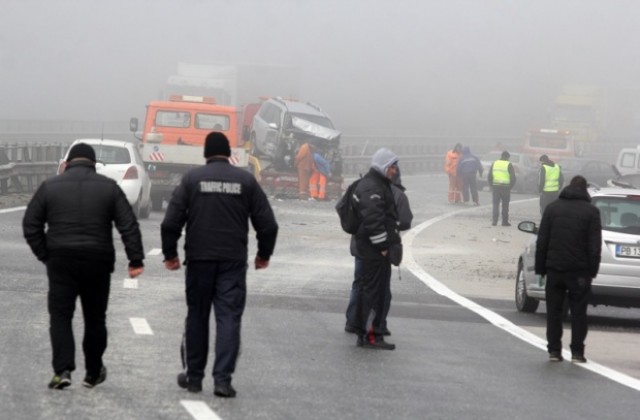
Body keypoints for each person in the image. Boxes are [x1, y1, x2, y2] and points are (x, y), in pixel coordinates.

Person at [161, 132, 278, 398]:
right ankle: (222, 381)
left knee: (197, 317)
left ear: (206, 153)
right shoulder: (246, 181)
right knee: (228, 318)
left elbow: (170, 222)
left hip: (199, 261)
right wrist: (263, 255)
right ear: (229, 154)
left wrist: (170, 254)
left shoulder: (192, 180)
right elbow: (268, 224)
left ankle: (193, 377)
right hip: (232, 263)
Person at [22, 142, 145, 390]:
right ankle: (93, 372)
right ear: (94, 164)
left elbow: (30, 225)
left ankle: (63, 369)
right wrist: (135, 260)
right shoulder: (109, 188)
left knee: (60, 315)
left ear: (66, 163)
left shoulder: (49, 187)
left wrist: (46, 254)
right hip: (97, 261)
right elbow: (128, 225)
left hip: (61, 260)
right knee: (95, 318)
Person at [535, 175, 601, 363]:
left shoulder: (552, 208)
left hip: (555, 270)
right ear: (585, 190)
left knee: (554, 312)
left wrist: (541, 269)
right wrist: (592, 271)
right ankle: (577, 353)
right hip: (579, 272)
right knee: (579, 312)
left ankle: (554, 350)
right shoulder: (591, 212)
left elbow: (542, 241)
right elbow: (594, 246)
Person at [345, 166, 412, 336]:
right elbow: (405, 221)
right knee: (379, 290)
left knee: (359, 284)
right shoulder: (395, 194)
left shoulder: (363, 187)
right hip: (378, 249)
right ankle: (376, 326)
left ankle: (353, 322)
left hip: (359, 245)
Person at [352, 147, 402, 350]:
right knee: (374, 294)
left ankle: (368, 333)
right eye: (392, 167)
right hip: (374, 252)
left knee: (372, 291)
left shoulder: (376, 184)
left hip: (371, 250)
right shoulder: (373, 187)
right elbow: (373, 220)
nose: (395, 171)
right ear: (384, 166)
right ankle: (371, 336)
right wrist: (383, 246)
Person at [487, 150, 516, 226]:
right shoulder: (509, 164)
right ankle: (504, 221)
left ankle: (494, 221)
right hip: (506, 188)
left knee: (496, 204)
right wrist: (510, 187)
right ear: (507, 157)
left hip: (496, 187)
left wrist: (491, 186)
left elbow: (489, 176)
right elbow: (513, 178)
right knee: (505, 205)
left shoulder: (494, 163)